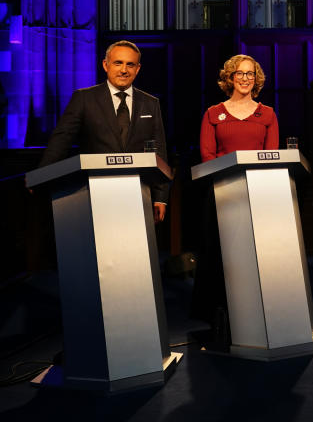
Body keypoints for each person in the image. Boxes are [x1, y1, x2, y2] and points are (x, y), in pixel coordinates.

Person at [192, 54, 278, 338]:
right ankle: (221, 315)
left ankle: (261, 311)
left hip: (257, 195)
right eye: (239, 74)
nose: (244, 79)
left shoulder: (266, 114)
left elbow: (271, 155)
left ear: (257, 79)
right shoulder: (213, 113)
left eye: (250, 74)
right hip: (221, 195)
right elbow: (208, 155)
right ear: (229, 78)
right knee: (219, 255)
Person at [39, 40, 169, 223]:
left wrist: (161, 196)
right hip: (93, 191)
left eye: (130, 64)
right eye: (118, 63)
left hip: (139, 192)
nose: (124, 70)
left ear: (138, 69)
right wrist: (42, 176)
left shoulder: (150, 103)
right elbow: (61, 140)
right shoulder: (84, 99)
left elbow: (159, 151)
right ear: (105, 65)